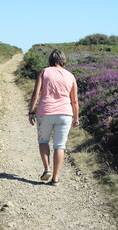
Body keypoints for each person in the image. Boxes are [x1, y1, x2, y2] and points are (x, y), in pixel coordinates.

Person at [28, 49, 79, 186]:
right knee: (60, 146)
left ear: (50, 59)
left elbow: (36, 93)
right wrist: (76, 117)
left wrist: (31, 111)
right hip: (65, 114)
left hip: (45, 112)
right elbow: (74, 100)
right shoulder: (70, 76)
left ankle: (47, 169)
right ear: (63, 60)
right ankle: (55, 178)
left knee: (43, 142)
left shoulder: (44, 72)